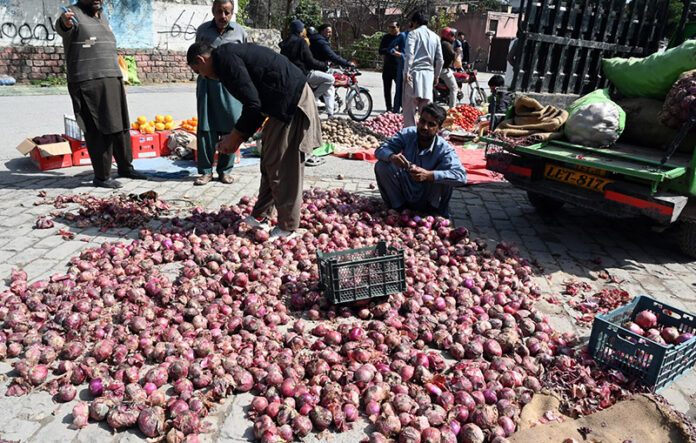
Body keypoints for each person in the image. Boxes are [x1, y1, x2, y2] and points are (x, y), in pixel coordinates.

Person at [187, 42, 322, 239]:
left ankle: (288, 227)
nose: (204, 77)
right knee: (269, 159)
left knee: (282, 165)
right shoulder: (226, 59)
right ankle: (261, 216)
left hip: (292, 102)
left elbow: (253, 105)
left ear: (201, 60)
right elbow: (256, 104)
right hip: (279, 104)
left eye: (198, 71)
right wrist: (238, 136)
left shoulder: (225, 61)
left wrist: (235, 137)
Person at [56, 0, 147, 189]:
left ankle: (125, 167)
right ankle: (102, 176)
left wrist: (120, 79)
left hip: (112, 77)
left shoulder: (102, 15)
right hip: (88, 80)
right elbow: (63, 27)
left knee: (120, 125)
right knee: (98, 128)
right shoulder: (72, 14)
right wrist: (64, 23)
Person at [374, 103, 467, 218]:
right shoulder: (407, 134)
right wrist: (392, 157)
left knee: (445, 175)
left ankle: (433, 214)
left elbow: (461, 177)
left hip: (429, 196)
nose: (424, 127)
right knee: (382, 165)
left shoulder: (444, 149)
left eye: (431, 124)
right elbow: (380, 150)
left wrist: (429, 175)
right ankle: (398, 209)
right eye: (422, 121)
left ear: (440, 129)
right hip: (406, 189)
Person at [193, 0, 247, 186]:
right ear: (213, 11)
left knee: (231, 126)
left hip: (231, 85)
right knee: (206, 129)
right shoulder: (203, 31)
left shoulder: (240, 32)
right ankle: (206, 171)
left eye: (227, 12)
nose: (223, 16)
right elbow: (197, 56)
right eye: (219, 12)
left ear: (232, 13)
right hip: (208, 85)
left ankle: (225, 170)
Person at [280, 20, 335, 118]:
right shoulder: (302, 41)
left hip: (289, 74)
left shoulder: (285, 43)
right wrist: (324, 65)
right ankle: (314, 98)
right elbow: (310, 61)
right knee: (331, 79)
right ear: (301, 30)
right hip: (303, 74)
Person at [403, 11, 443, 128]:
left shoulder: (413, 34)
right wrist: (436, 76)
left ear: (415, 22)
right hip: (428, 77)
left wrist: (406, 72)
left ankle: (410, 136)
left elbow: (409, 54)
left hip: (414, 75)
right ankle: (424, 136)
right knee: (425, 113)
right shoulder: (435, 37)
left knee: (409, 111)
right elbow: (440, 60)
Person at [378, 21, 401, 112]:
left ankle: (398, 107)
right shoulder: (386, 37)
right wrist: (390, 50)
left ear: (398, 28)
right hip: (387, 67)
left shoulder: (401, 37)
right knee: (387, 89)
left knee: (399, 90)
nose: (391, 29)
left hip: (398, 67)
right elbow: (380, 51)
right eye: (390, 27)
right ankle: (388, 108)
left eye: (393, 27)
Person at [388, 27, 410, 114]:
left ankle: (407, 110)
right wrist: (401, 55)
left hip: (413, 67)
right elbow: (390, 48)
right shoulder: (403, 35)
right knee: (400, 88)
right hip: (403, 65)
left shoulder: (418, 36)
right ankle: (396, 111)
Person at [439, 27, 458, 108]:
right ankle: (452, 108)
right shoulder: (446, 44)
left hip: (439, 69)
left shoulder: (442, 43)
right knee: (454, 88)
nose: (454, 37)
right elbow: (453, 55)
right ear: (448, 35)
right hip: (443, 70)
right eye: (452, 35)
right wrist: (458, 51)